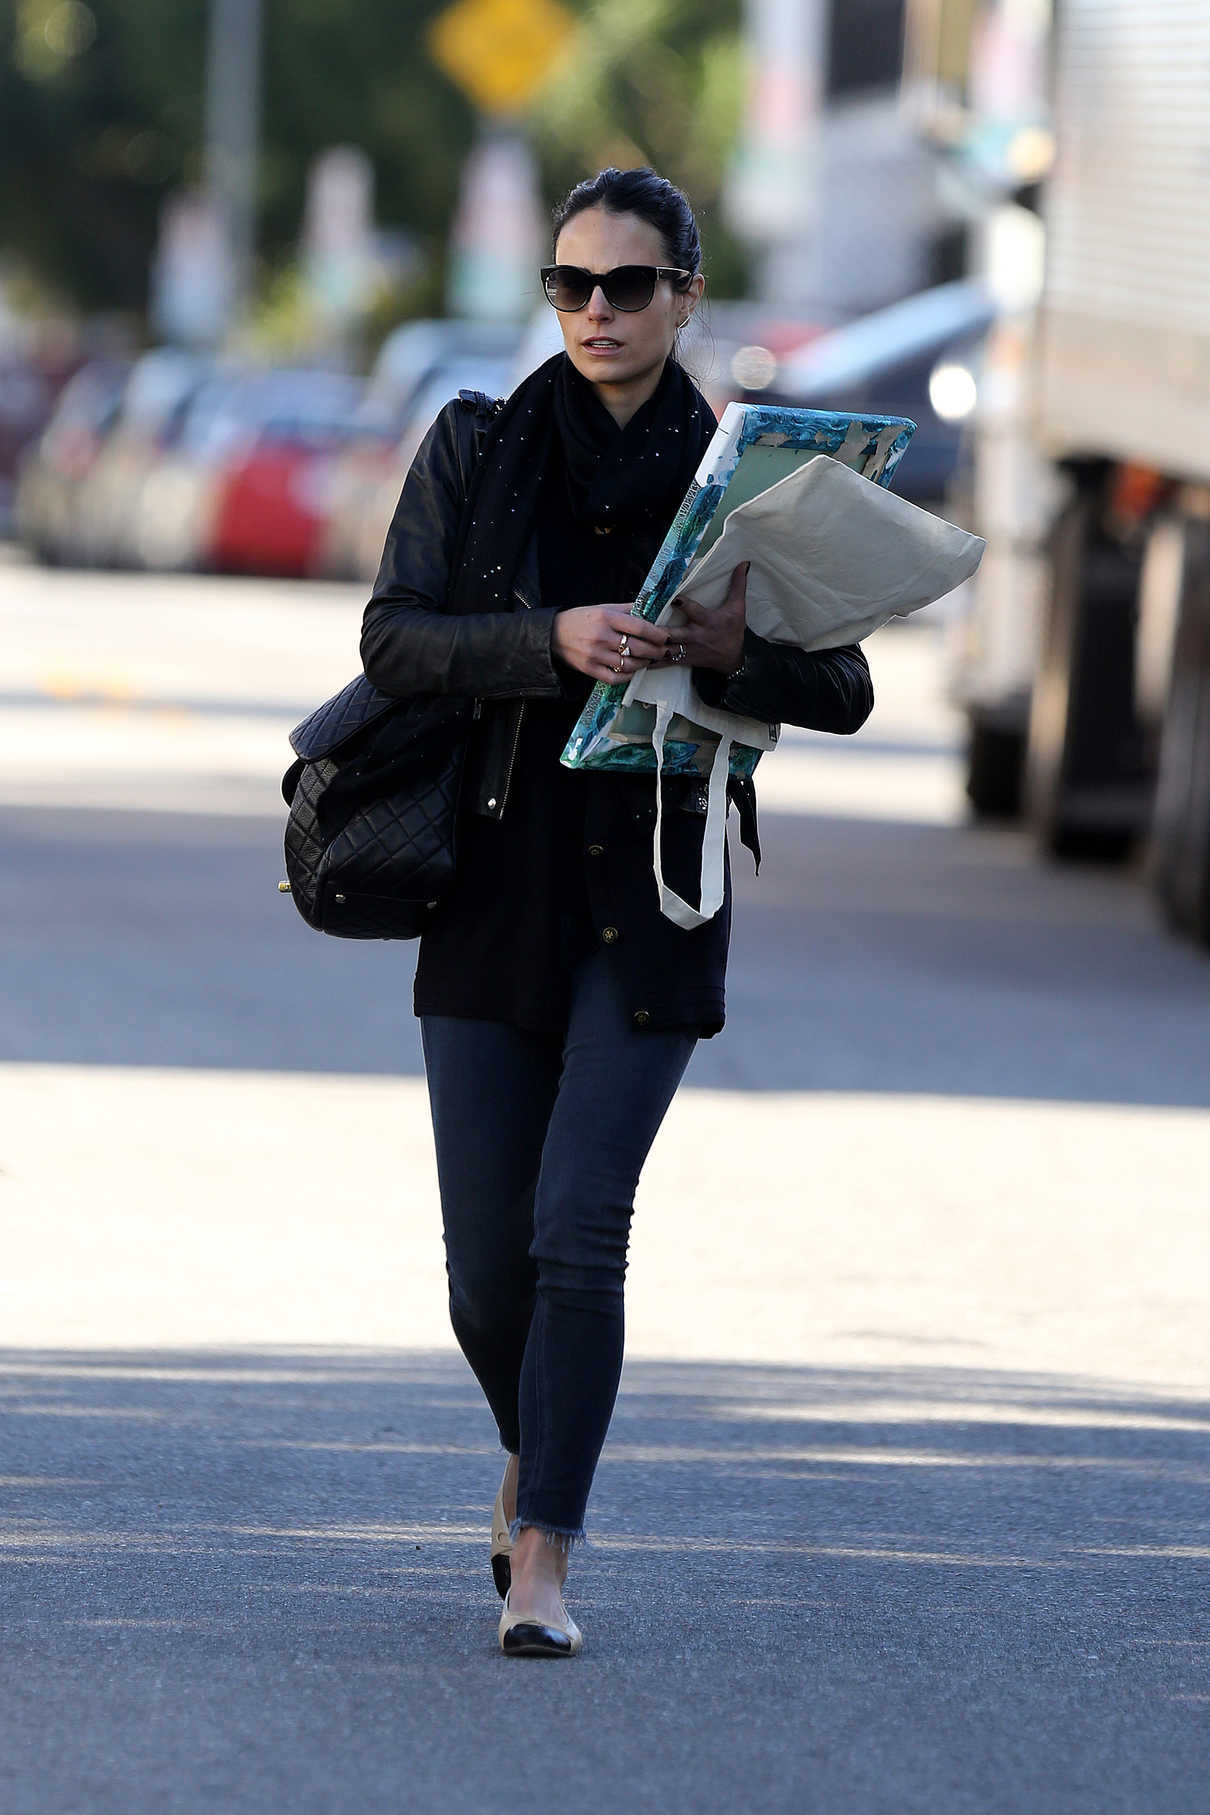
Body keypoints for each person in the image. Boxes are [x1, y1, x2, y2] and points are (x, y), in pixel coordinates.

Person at [360, 167, 873, 1657]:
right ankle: (537, 1448)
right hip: (489, 883)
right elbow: (393, 639)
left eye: (627, 286)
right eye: (569, 286)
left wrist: (733, 654)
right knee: (483, 1273)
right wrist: (549, 637)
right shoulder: (475, 447)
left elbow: (839, 689)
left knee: (580, 1227)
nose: (595, 311)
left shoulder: (753, 476)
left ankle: (543, 1555)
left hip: (655, 889)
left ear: (685, 296)